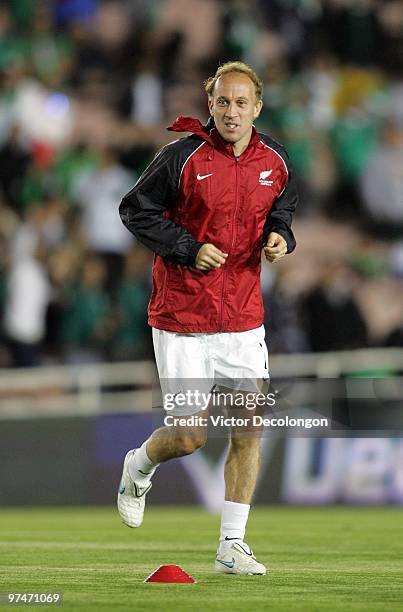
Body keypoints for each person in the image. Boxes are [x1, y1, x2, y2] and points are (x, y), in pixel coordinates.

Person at [118, 61, 299, 575]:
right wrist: (187, 248)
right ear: (210, 104)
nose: (231, 111)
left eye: (241, 103)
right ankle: (140, 465)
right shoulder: (180, 158)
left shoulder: (278, 160)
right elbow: (134, 210)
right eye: (223, 101)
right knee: (190, 436)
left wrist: (282, 236)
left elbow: (282, 207)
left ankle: (231, 545)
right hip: (183, 314)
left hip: (243, 314)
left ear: (257, 107)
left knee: (249, 427)